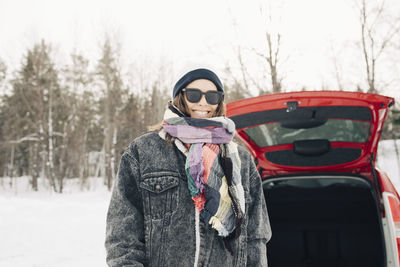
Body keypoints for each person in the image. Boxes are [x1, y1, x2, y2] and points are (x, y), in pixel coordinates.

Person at [105, 67, 271, 267]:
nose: (203, 102)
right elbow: (122, 233)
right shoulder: (143, 151)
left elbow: (255, 235)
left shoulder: (241, 159)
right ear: (180, 97)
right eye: (194, 95)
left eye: (212, 96)